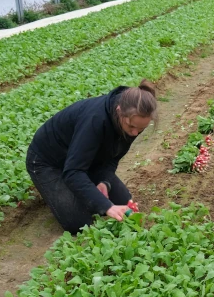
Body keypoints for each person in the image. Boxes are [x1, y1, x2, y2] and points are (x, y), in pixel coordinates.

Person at [25, 80, 156, 234]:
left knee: (123, 200)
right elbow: (73, 171)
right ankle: (59, 190)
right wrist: (106, 206)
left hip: (83, 158)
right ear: (119, 110)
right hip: (47, 161)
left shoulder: (132, 122)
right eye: (132, 127)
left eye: (141, 129)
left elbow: (113, 158)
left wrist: (104, 182)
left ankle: (77, 189)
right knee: (79, 223)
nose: (135, 133)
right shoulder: (95, 120)